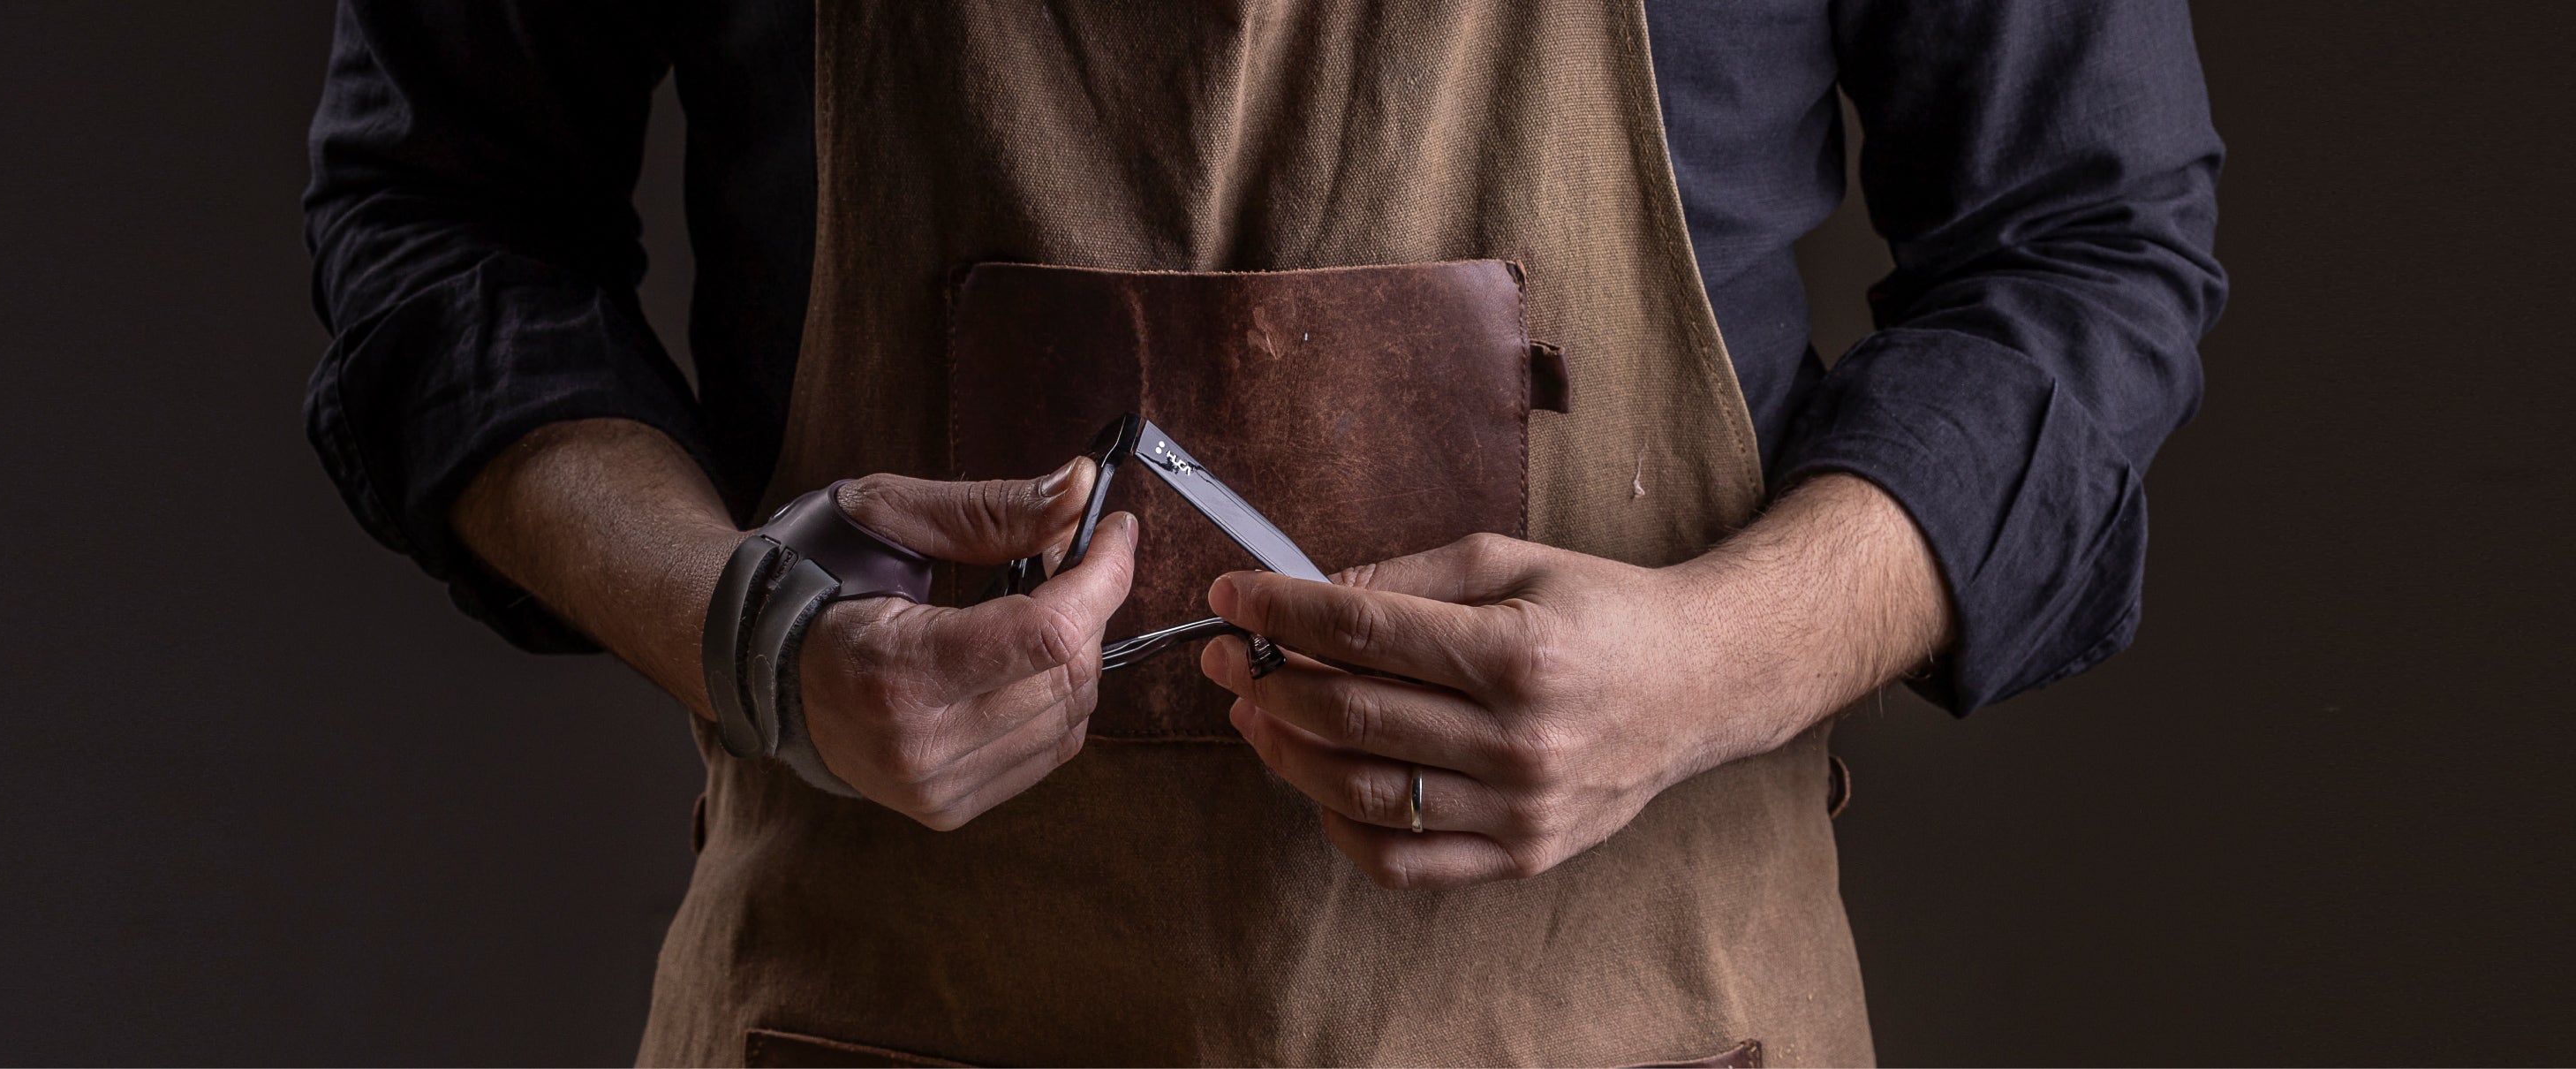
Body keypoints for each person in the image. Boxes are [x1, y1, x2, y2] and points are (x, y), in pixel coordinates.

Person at [303, 0, 2222, 1064]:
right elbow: (441, 229)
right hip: (878, 1009)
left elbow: (2087, 243)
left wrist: (1717, 659)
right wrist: (753, 638)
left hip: (1646, 1017)